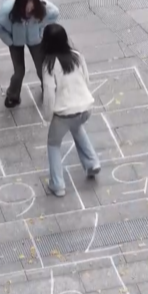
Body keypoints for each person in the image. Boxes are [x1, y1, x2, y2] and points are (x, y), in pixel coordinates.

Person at [40, 23, 101, 197]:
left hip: (64, 113)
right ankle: (92, 163)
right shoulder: (77, 56)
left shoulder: (49, 64)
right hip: (85, 108)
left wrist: (47, 116)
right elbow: (86, 79)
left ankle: (57, 184)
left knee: (53, 144)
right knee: (76, 126)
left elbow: (49, 94)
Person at [0, 0, 60, 107]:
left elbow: (54, 14)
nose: (29, 10)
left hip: (36, 39)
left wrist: (41, 30)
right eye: (26, 8)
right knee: (19, 71)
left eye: (32, 8)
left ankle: (48, 89)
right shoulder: (7, 12)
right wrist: (9, 40)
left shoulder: (42, 7)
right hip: (15, 41)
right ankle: (13, 96)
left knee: (42, 67)